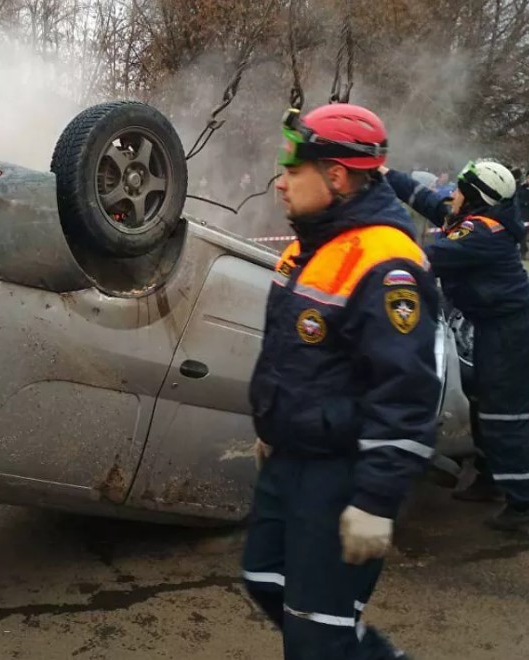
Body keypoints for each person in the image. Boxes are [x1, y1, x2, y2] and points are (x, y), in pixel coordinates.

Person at [243, 104, 440, 660]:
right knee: (264, 579)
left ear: (335, 175)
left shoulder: (386, 263)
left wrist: (376, 500)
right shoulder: (307, 248)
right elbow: (299, 359)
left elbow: (406, 392)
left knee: (316, 637)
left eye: (293, 171)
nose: (280, 184)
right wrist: (272, 428)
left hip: (339, 473)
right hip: (290, 461)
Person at [382, 159, 529, 530]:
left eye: (462, 189)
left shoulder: (483, 233)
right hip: (493, 326)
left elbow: (425, 260)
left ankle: (522, 504)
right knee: (482, 400)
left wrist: (375, 252)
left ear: (477, 196)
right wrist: (382, 173)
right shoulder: (476, 219)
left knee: (504, 414)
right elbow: (431, 202)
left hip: (510, 331)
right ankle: (490, 478)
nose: (454, 195)